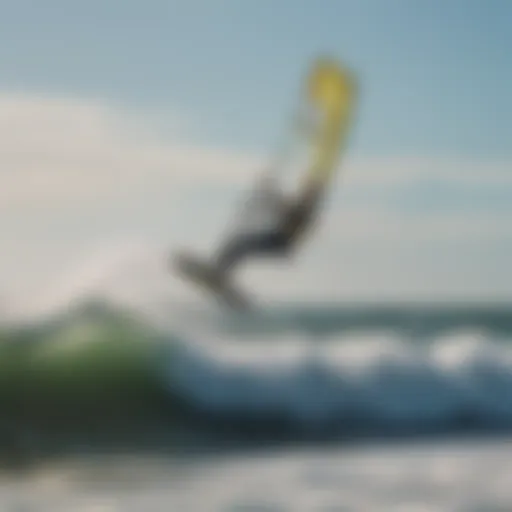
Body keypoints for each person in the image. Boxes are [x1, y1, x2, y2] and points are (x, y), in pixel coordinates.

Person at [212, 173, 326, 276]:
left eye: (307, 192)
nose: (303, 193)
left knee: (240, 245)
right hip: (276, 239)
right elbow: (282, 208)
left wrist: (271, 194)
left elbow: (288, 214)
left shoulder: (303, 211)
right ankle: (219, 269)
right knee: (238, 244)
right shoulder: (300, 208)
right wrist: (269, 192)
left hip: (279, 243)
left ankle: (219, 271)